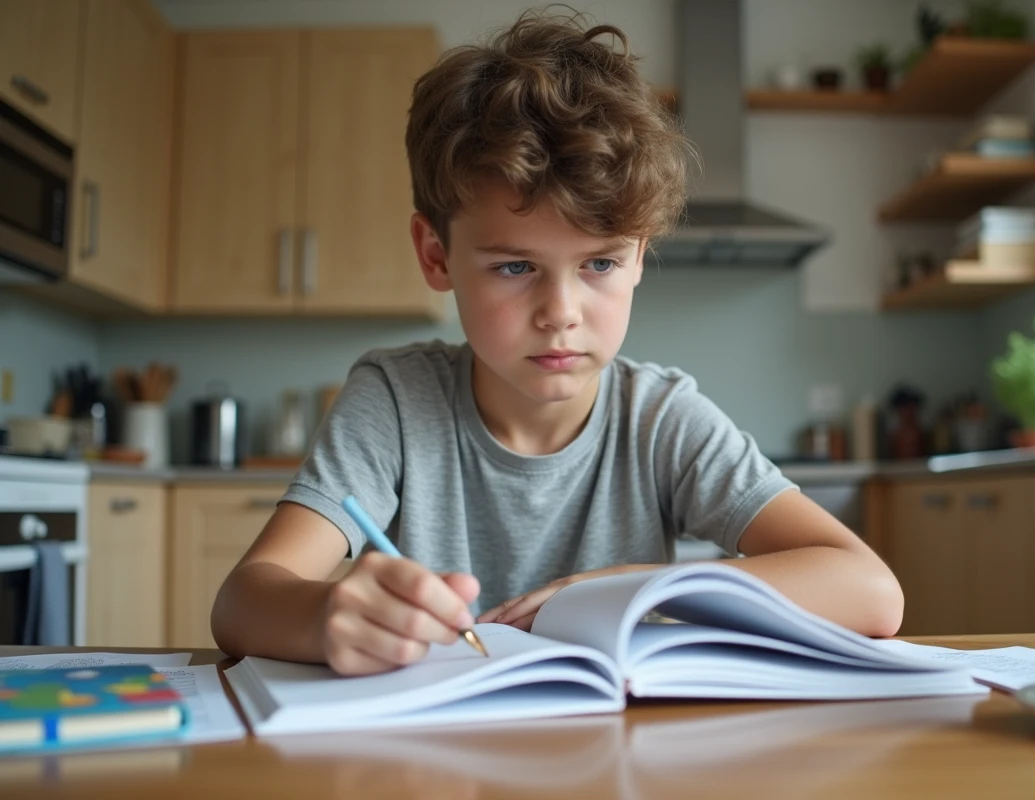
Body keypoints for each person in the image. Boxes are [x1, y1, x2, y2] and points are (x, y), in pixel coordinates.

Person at [211, 9, 903, 676]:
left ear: (639, 257)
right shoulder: (395, 401)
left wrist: (645, 587)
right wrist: (330, 613)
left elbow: (872, 592)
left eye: (599, 264)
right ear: (436, 255)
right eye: (515, 267)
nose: (560, 313)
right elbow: (243, 602)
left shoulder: (659, 419)